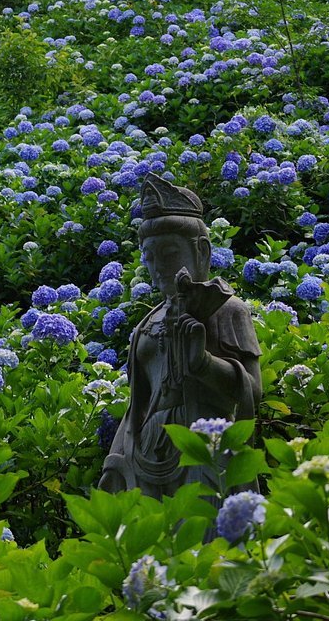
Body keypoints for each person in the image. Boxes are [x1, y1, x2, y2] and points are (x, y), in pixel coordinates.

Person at [98, 174, 262, 498]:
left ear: (201, 251)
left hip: (204, 445)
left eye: (170, 254)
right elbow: (137, 407)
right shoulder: (147, 323)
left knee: (205, 535)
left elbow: (252, 391)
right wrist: (116, 460)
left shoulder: (227, 310)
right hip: (147, 451)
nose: (158, 267)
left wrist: (204, 364)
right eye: (150, 257)